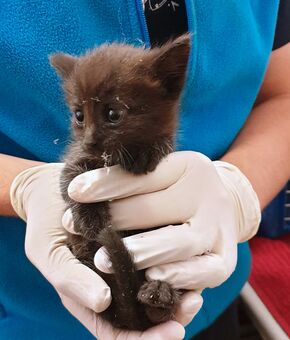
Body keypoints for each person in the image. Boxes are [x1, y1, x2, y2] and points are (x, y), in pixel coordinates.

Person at [1, 1, 289, 339]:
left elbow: (282, 94)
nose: (90, 135)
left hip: (209, 291)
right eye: (80, 118)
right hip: (38, 316)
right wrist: (22, 187)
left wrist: (239, 188)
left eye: (112, 116)